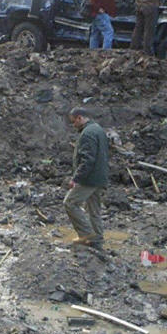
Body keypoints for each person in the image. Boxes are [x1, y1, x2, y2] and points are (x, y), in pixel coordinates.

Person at [65, 107, 109, 253]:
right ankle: (97, 240)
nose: (73, 125)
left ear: (79, 118)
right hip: (99, 177)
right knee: (94, 210)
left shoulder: (87, 133)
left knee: (70, 202)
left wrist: (76, 178)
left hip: (89, 178)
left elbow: (87, 160)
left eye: (73, 122)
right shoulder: (98, 129)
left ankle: (86, 235)